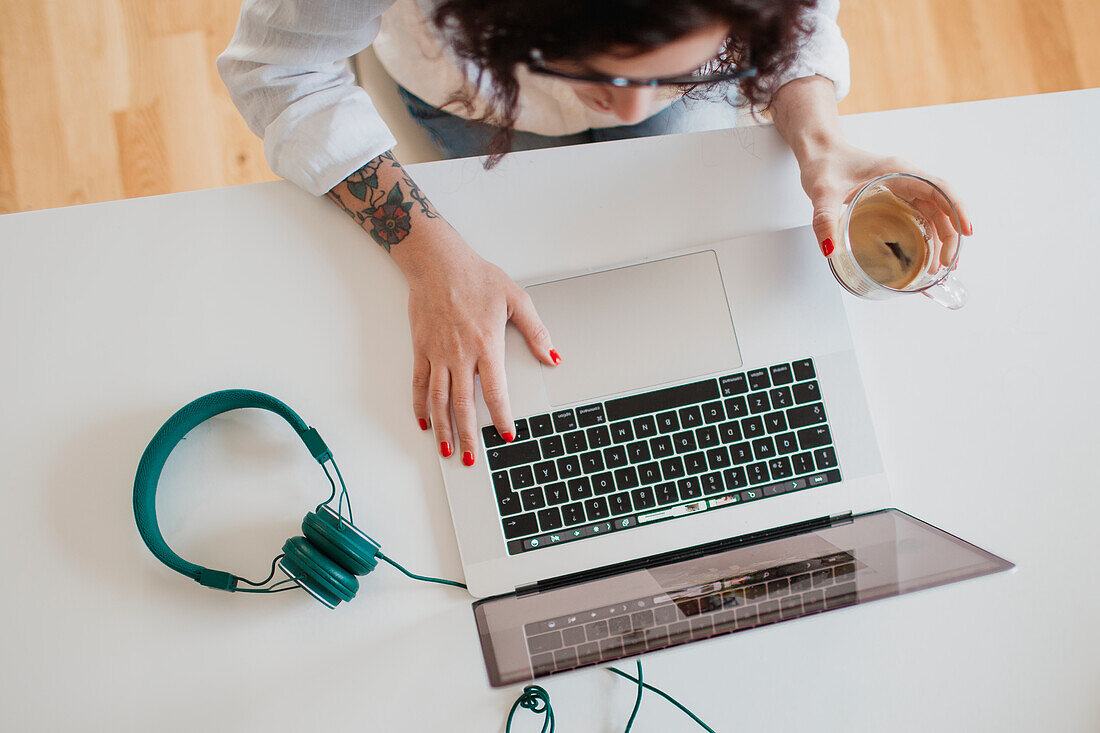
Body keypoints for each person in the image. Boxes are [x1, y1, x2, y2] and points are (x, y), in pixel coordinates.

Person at [218, 0, 972, 469]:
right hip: (471, 100)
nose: (630, 109)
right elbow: (281, 73)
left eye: (657, 75)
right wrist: (430, 256)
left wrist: (818, 140)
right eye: (595, 75)